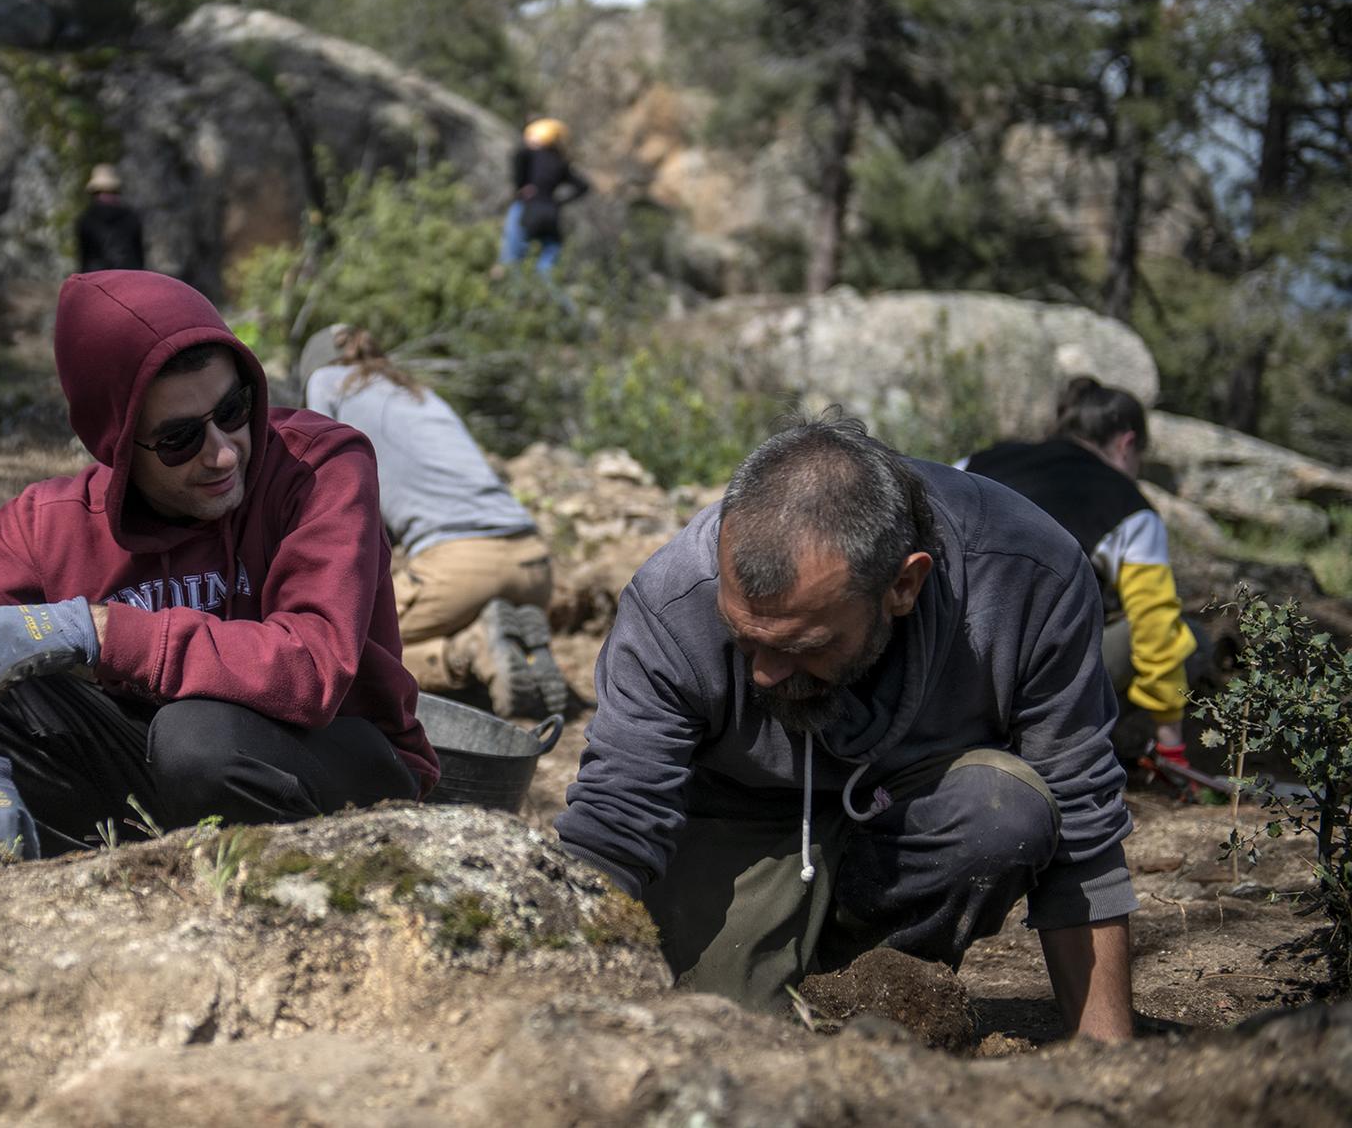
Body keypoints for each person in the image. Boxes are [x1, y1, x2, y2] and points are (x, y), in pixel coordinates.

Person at [557, 413, 1137, 1041]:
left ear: (904, 585)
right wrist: (544, 983)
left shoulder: (1029, 575)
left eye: (803, 645)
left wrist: (1106, 1062)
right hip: (739, 818)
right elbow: (615, 822)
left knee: (1002, 811)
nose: (765, 678)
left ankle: (874, 990)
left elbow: (1082, 825)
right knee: (725, 1035)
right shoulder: (673, 602)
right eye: (746, 642)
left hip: (912, 817)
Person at [0, 270, 437, 855]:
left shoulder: (320, 466)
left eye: (233, 408)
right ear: (117, 444)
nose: (224, 452)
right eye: (180, 439)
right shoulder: (50, 523)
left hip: (332, 758)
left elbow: (312, 667)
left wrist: (103, 631)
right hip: (161, 774)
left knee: (198, 738)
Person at [297, 323, 571, 719]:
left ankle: (468, 650)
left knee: (344, 648)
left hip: (461, 566)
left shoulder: (326, 381)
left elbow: (320, 477)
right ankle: (513, 643)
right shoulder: (418, 392)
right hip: (533, 563)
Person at [962, 378, 1198, 773]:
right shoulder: (1132, 509)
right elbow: (1155, 630)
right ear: (1126, 444)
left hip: (946, 660)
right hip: (1032, 686)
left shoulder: (977, 462)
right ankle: (1121, 741)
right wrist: (1173, 747)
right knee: (1191, 637)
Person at [497, 117, 589, 277]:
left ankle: (513, 294)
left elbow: (518, 155)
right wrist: (559, 202)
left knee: (511, 261)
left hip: (528, 209)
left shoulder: (530, 153)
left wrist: (520, 187)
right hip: (551, 214)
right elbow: (584, 186)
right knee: (547, 264)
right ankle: (549, 292)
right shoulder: (560, 163)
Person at [76, 163, 146, 273]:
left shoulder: (86, 219)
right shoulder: (131, 217)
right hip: (129, 277)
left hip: (98, 279)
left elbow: (85, 258)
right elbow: (139, 256)